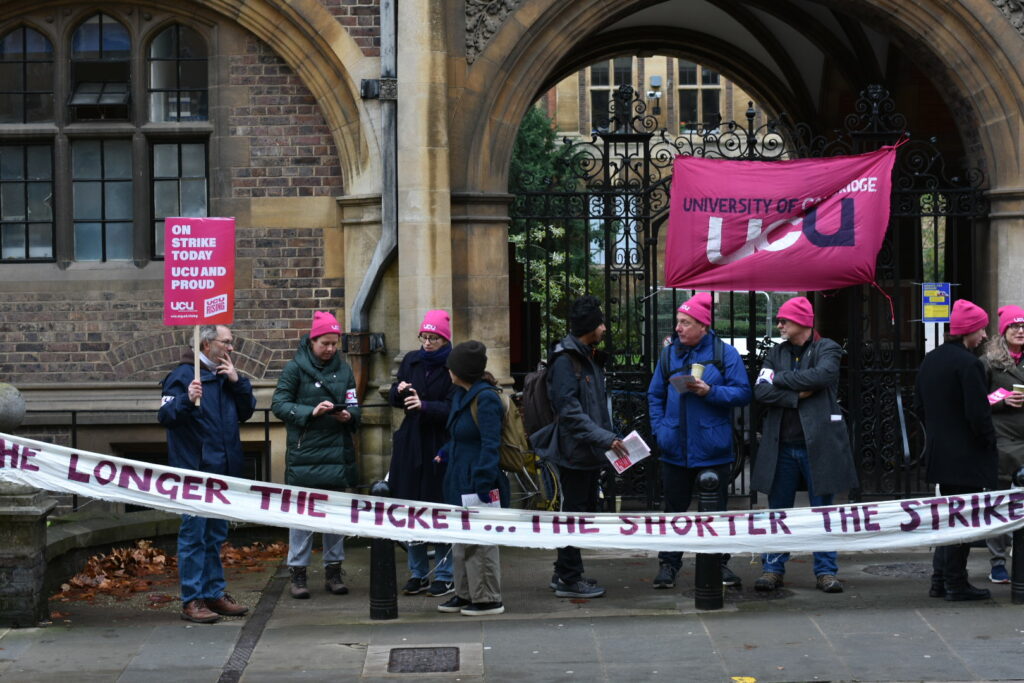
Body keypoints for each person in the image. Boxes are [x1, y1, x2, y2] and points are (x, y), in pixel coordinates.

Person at [750, 296, 858, 594]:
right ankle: (772, 569)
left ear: (802, 322)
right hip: (782, 446)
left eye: (784, 320)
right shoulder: (776, 352)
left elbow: (823, 376)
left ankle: (826, 571)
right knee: (777, 511)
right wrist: (796, 395)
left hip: (819, 445)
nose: (779, 325)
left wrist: (781, 378)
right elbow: (761, 391)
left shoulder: (828, 348)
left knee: (823, 512)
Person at [647, 292, 752, 589]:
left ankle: (718, 564)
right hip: (674, 448)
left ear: (703, 326)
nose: (678, 327)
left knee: (715, 513)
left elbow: (743, 393)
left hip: (712, 449)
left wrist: (711, 392)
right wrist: (660, 429)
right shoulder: (669, 354)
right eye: (678, 321)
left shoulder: (724, 354)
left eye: (685, 322)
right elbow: (655, 395)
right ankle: (669, 565)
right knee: (674, 512)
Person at [531, 295, 629, 599]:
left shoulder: (587, 355)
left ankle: (564, 570)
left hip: (589, 451)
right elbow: (570, 413)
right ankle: (570, 578)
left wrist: (605, 438)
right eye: (601, 324)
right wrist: (605, 438)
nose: (604, 329)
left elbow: (593, 407)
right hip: (574, 452)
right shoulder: (566, 361)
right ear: (590, 327)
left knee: (583, 511)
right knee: (573, 514)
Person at [158, 324, 256, 624]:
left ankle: (214, 593)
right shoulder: (182, 376)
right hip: (194, 472)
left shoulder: (225, 376)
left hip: (222, 472)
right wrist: (186, 399)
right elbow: (165, 416)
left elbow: (246, 411)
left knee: (215, 536)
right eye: (226, 342)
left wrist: (238, 382)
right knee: (194, 537)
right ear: (206, 344)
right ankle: (192, 599)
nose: (231, 348)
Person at [271, 311, 361, 599]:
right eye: (325, 343)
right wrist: (311, 412)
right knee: (301, 516)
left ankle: (334, 571)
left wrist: (349, 416)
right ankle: (298, 573)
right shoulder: (294, 369)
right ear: (312, 341)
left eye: (334, 343)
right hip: (305, 454)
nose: (330, 349)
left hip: (336, 453)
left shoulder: (344, 370)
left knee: (335, 514)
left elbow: (354, 404)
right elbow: (279, 404)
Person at [916, 299, 998, 600]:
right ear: (969, 331)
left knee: (949, 518)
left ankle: (940, 580)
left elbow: (919, 405)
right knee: (963, 520)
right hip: (967, 456)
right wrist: (989, 442)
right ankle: (955, 583)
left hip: (940, 452)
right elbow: (978, 414)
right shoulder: (969, 364)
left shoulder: (931, 360)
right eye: (981, 329)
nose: (985, 335)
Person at [436, 341, 509, 616]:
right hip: (458, 477)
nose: (448, 371)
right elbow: (460, 435)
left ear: (462, 371)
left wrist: (483, 481)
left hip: (479, 481)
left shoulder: (486, 398)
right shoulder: (460, 394)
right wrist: (445, 452)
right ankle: (465, 592)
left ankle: (488, 598)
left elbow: (491, 443)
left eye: (451, 367)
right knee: (461, 539)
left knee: (481, 542)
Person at [387, 310, 456, 598]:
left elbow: (455, 406)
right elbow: (394, 397)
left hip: (438, 442)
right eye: (424, 337)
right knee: (410, 507)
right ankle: (417, 572)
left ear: (445, 340)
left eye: (433, 338)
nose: (427, 343)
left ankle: (444, 573)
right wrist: (399, 390)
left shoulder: (454, 365)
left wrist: (425, 406)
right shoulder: (411, 361)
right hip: (411, 441)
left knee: (439, 509)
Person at [981, 304, 1024, 584]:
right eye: (1014, 326)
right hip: (1002, 439)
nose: (1020, 331)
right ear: (1003, 331)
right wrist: (1003, 399)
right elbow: (976, 400)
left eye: (1023, 326)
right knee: (998, 500)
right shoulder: (989, 362)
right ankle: (997, 561)